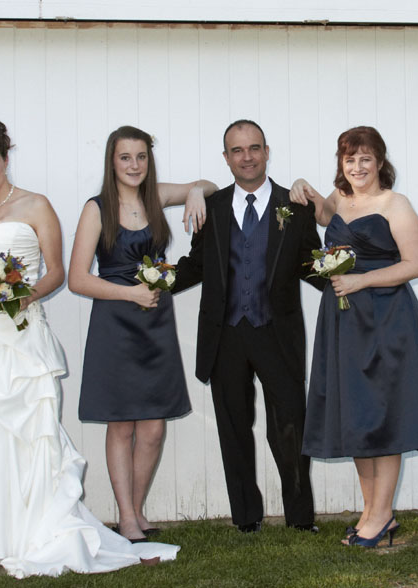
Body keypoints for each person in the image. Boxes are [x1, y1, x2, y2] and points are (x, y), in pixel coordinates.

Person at [0, 119, 178, 577]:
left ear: (5, 158)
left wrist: (21, 297)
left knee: (27, 431)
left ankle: (27, 528)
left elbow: (56, 272)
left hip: (18, 331)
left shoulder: (37, 205)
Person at [290, 125, 418, 547]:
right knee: (358, 414)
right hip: (344, 322)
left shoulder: (395, 204)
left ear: (380, 161)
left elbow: (414, 265)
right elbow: (323, 212)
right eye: (349, 159)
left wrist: (362, 282)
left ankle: (381, 516)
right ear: (341, 164)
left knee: (385, 415)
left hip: (386, 319)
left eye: (365, 158)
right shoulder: (341, 199)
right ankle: (372, 512)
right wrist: (302, 186)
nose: (357, 167)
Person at [173, 120, 324, 533]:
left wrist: (345, 281)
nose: (247, 157)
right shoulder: (214, 207)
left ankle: (299, 519)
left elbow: (311, 262)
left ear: (267, 151)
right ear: (226, 158)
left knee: (290, 427)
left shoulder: (294, 206)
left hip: (278, 332)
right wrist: (156, 283)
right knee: (234, 430)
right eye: (237, 150)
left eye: (254, 148)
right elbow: (198, 265)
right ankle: (246, 519)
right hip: (226, 334)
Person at [68, 125, 216, 542]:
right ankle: (128, 516)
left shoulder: (156, 196)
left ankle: (135, 509)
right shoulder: (96, 208)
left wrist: (193, 192)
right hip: (115, 322)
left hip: (155, 321)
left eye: (141, 157)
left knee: (153, 426)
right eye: (125, 157)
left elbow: (210, 184)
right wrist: (129, 292)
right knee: (122, 425)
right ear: (111, 162)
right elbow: (78, 279)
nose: (134, 165)